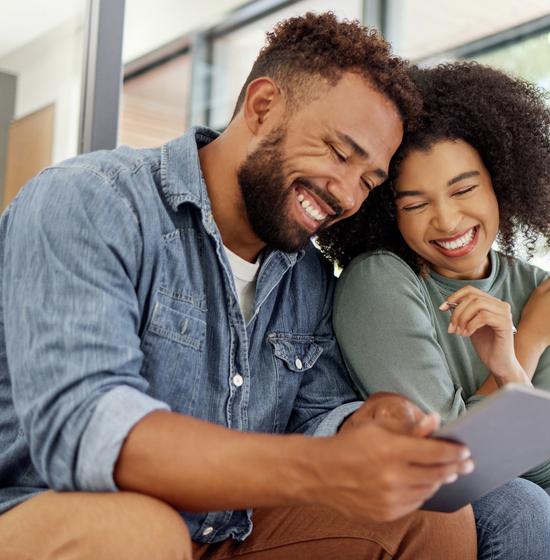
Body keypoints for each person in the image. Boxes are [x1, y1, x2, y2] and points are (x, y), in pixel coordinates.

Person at [0, 13, 479, 560]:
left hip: (223, 534)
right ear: (262, 107)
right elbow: (86, 426)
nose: (348, 194)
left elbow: (316, 417)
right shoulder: (90, 202)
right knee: (137, 533)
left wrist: (363, 424)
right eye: (340, 153)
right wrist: (317, 469)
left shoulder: (309, 277)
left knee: (432, 515)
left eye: (369, 181)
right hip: (53, 515)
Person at [317, 62, 550, 560]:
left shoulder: (537, 289)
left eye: (463, 190)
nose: (446, 219)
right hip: (402, 501)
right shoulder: (380, 280)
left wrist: (513, 360)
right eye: (415, 204)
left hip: (499, 490)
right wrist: (526, 343)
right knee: (520, 504)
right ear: (389, 211)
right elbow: (440, 455)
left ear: (500, 184)